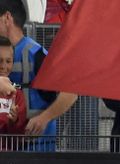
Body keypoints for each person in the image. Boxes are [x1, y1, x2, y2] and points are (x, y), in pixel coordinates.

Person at [0, 0, 77, 151]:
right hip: (8, 150)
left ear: (7, 18)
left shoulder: (36, 54)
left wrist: (44, 118)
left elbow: (71, 92)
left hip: (37, 152)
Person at [0, 36, 27, 146]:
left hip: (8, 157)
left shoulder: (18, 95)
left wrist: (14, 121)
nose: (3, 66)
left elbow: (19, 138)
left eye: (8, 61)